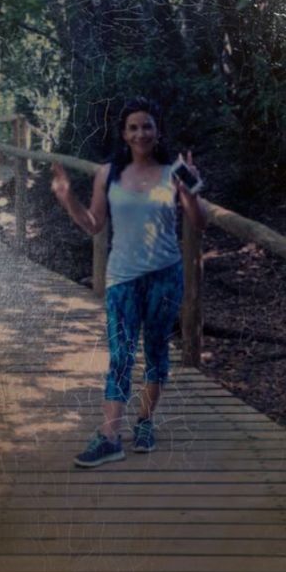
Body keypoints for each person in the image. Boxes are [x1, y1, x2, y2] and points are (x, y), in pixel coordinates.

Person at [51, 97, 207, 467]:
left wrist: (189, 192)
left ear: (157, 130)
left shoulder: (175, 171)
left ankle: (145, 421)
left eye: (147, 126)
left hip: (165, 275)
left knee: (156, 352)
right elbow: (94, 224)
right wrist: (67, 197)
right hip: (122, 277)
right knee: (120, 355)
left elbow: (199, 223)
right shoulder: (108, 174)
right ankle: (110, 437)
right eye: (133, 127)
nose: (140, 134)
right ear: (123, 134)